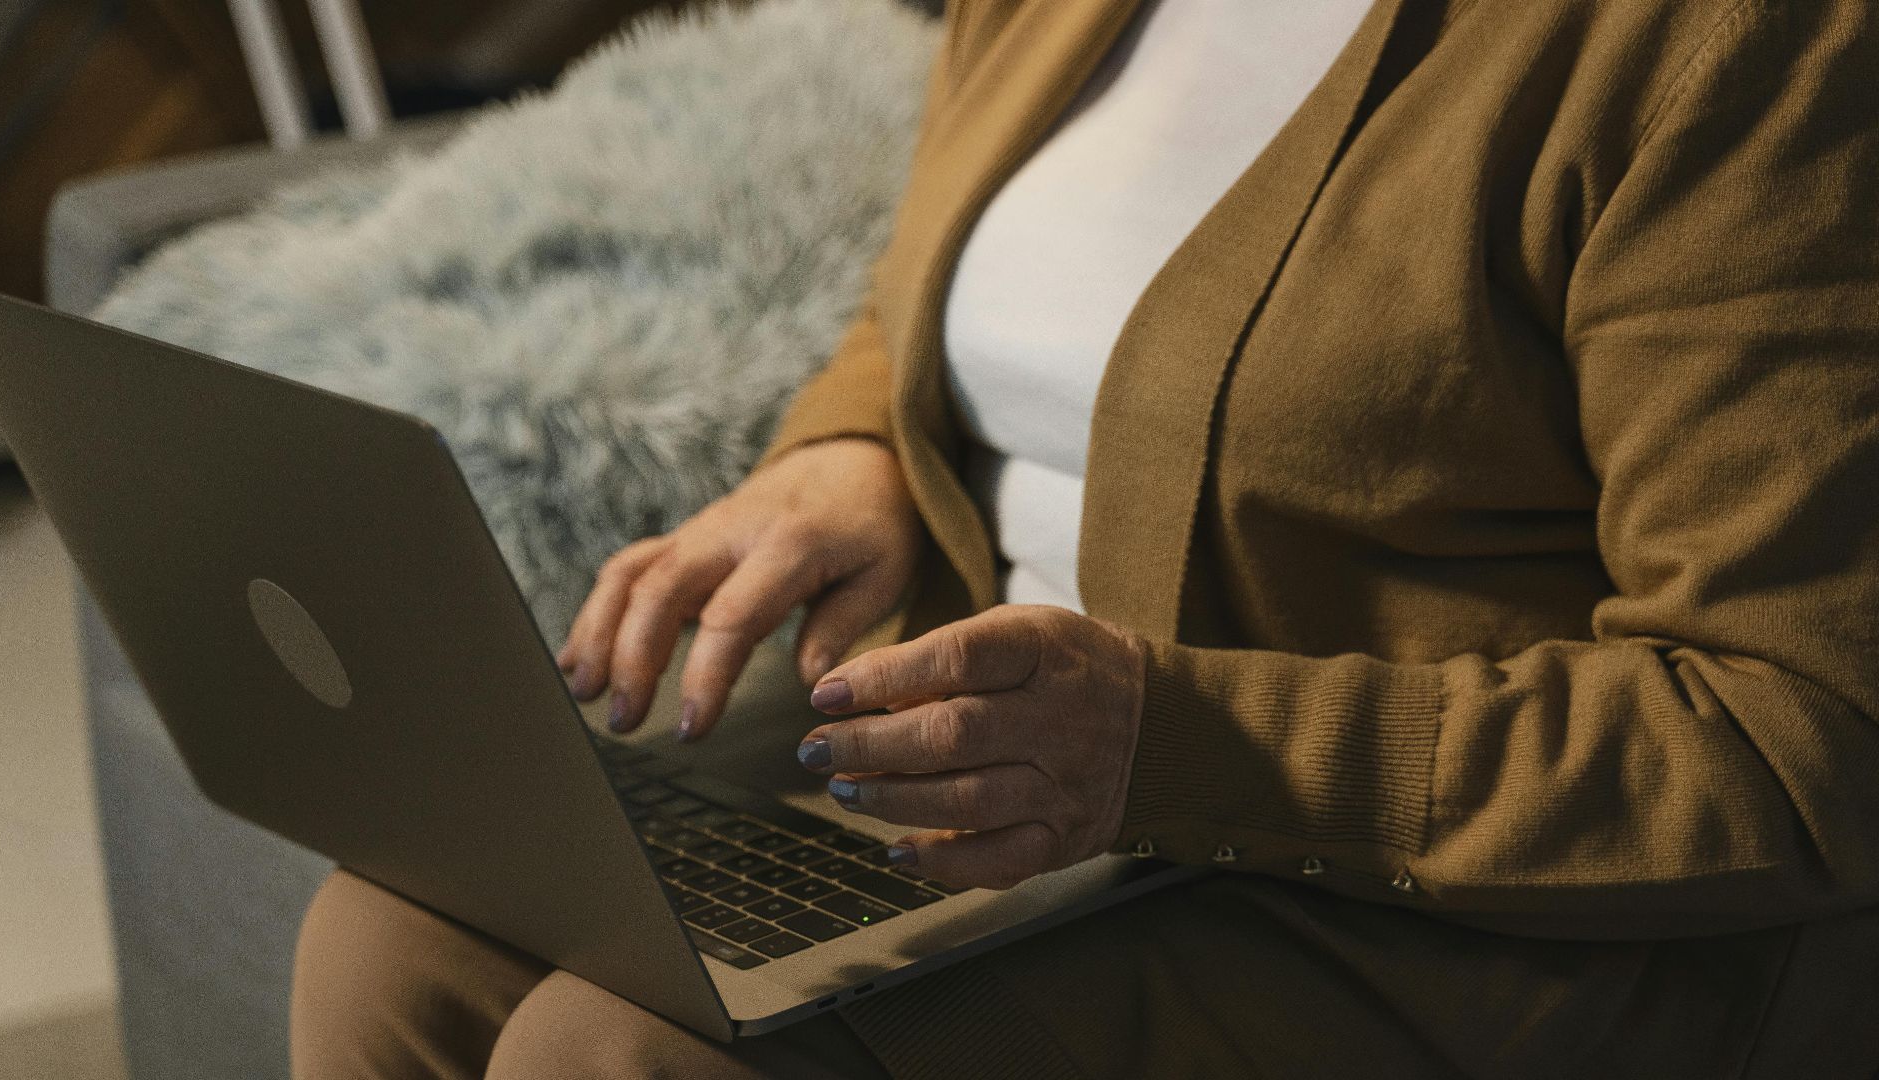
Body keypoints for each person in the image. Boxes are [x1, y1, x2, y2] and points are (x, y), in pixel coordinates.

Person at [290, 0, 1879, 1075]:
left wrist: (1169, 748)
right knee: (399, 932)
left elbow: (1809, 739)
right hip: (1037, 787)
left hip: (1436, 897)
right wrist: (858, 451)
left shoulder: (1733, 54)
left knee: (617, 1056)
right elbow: (963, 286)